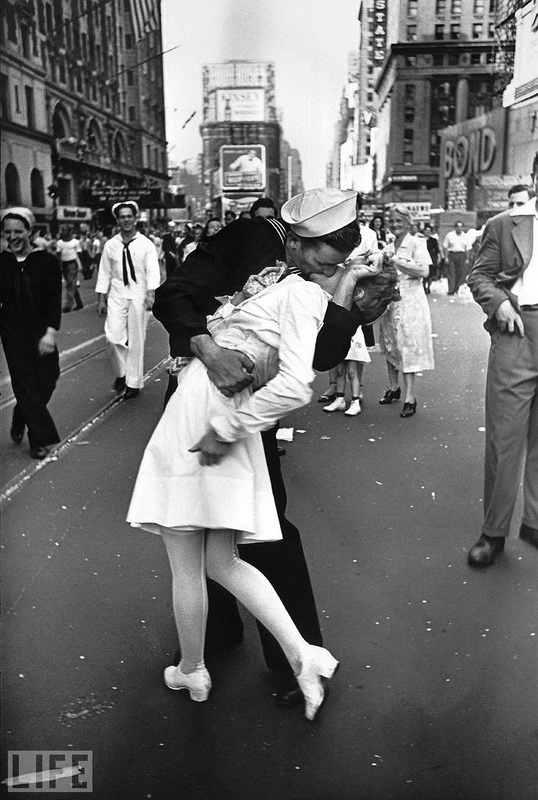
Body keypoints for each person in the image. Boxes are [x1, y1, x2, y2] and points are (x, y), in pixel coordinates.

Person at [152, 188, 364, 707]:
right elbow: (172, 294)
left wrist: (347, 301)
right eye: (320, 260)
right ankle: (212, 640)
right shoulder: (247, 237)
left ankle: (288, 658)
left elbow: (322, 358)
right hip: (206, 392)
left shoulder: (326, 275)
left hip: (248, 411)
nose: (323, 271)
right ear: (295, 238)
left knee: (260, 527)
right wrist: (209, 348)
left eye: (336, 265)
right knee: (210, 535)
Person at [466, 152, 538, 568]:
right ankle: (493, 533)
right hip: (518, 332)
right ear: (534, 177)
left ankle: (534, 522)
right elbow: (479, 276)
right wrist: (498, 304)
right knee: (505, 439)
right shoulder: (505, 224)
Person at [0, 208, 62, 459]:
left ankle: (21, 415)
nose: (13, 236)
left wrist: (49, 333)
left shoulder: (46, 262)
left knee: (48, 378)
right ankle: (38, 439)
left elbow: (53, 300)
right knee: (24, 382)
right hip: (11, 331)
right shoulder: (2, 262)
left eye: (18, 231)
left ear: (30, 232)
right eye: (7, 232)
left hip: (40, 330)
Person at [95, 201, 161, 399]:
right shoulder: (111, 245)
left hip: (138, 296)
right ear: (117, 220)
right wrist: (100, 299)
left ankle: (133, 383)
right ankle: (121, 373)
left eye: (129, 216)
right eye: (122, 217)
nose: (126, 220)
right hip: (116, 295)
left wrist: (151, 294)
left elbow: (152, 271)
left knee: (136, 340)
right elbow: (104, 273)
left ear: (135, 218)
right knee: (113, 337)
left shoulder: (146, 244)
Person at [378, 204, 435, 418]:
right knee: (391, 344)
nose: (395, 225)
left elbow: (424, 270)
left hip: (411, 301)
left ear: (408, 222)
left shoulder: (417, 243)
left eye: (399, 221)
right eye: (391, 221)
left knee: (408, 345)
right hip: (390, 301)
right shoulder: (388, 245)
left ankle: (410, 397)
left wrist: (396, 262)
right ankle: (394, 387)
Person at [321, 222, 383, 415]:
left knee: (353, 368)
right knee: (338, 366)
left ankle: (355, 399)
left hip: (353, 326)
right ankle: (339, 397)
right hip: (337, 318)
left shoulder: (368, 238)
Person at [55, 224, 83, 312]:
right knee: (71, 284)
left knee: (70, 283)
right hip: (64, 264)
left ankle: (68, 305)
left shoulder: (75, 242)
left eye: (65, 230)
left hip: (73, 264)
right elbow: (58, 255)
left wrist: (80, 265)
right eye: (62, 230)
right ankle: (79, 303)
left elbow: (79, 254)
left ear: (70, 231)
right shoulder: (59, 243)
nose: (63, 232)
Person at [442, 220, 470, 296]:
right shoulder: (450, 235)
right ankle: (451, 290)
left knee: (460, 273)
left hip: (461, 255)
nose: (460, 228)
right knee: (451, 273)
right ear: (455, 227)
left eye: (461, 227)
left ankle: (456, 288)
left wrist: (467, 259)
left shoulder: (465, 236)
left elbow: (467, 248)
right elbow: (445, 247)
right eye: (458, 227)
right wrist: (446, 257)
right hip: (452, 255)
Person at [422, 223, 441, 294]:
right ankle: (423, 286)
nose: (427, 232)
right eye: (426, 231)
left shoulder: (433, 240)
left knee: (430, 273)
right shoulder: (420, 239)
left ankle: (428, 287)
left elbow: (437, 250)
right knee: (423, 273)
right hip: (422, 258)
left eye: (429, 231)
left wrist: (438, 258)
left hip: (431, 257)